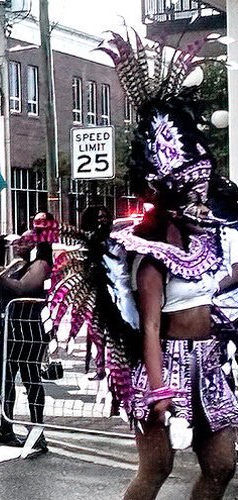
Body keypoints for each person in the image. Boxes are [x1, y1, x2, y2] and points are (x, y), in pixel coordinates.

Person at [59, 32, 238, 500]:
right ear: (169, 193)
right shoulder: (147, 258)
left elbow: (217, 286)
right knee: (155, 470)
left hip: (210, 365)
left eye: (204, 188)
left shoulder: (209, 242)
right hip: (167, 370)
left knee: (221, 467)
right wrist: (159, 392)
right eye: (192, 190)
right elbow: (152, 329)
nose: (203, 197)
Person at [0, 213, 55, 447]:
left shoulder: (41, 265)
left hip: (29, 331)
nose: (19, 244)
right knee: (4, 378)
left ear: (35, 244)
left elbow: (21, 289)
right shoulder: (18, 264)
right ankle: (6, 427)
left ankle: (37, 431)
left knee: (30, 379)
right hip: (10, 330)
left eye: (25, 240)